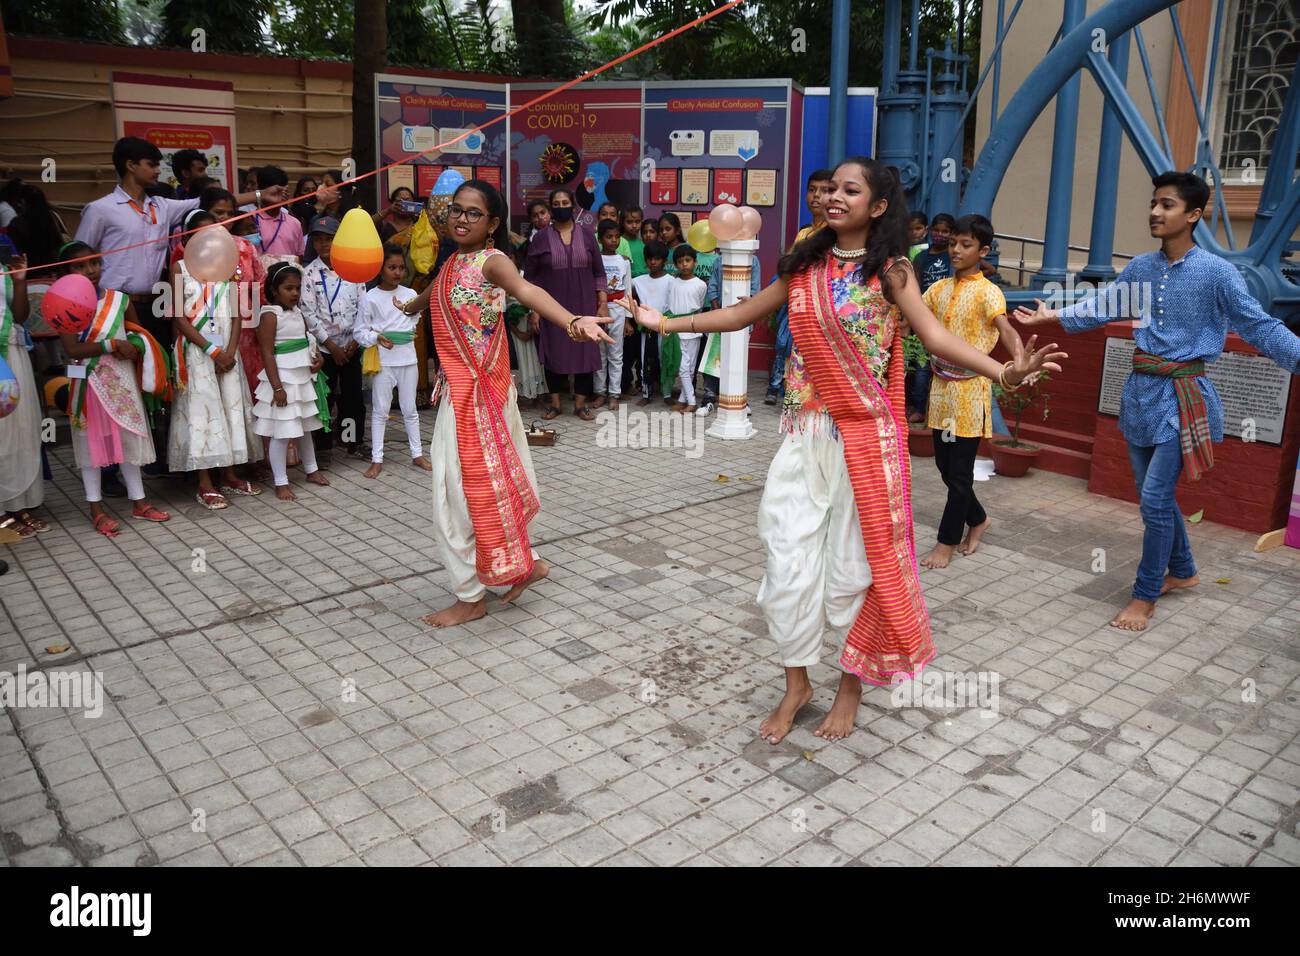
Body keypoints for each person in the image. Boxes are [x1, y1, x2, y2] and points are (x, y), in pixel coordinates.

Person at [633, 157, 1063, 743]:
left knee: (855, 573)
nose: (834, 196)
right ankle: (796, 685)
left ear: (878, 206)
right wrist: (665, 324)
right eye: (830, 188)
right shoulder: (805, 265)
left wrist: (1004, 375)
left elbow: (936, 337)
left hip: (866, 442)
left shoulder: (892, 273)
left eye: (849, 190)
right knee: (785, 565)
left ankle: (850, 687)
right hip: (805, 437)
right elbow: (740, 312)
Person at [1015, 170, 1300, 632]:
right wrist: (1054, 318)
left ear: (1193, 215)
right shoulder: (1143, 269)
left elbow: (1259, 325)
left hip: (1185, 398)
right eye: (1153, 203)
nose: (1154, 212)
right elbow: (1102, 307)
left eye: (1166, 205)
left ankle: (1145, 594)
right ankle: (1183, 571)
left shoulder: (1217, 273)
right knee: (1158, 499)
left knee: (1152, 499)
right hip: (1140, 394)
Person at [398, 180, 611, 628]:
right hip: (464, 397)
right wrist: (411, 306)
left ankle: (471, 596)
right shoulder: (455, 260)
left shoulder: (493, 264)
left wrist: (573, 320)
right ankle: (526, 563)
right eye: (456, 210)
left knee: (455, 500)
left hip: (478, 398)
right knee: (484, 491)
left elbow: (528, 291)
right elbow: (438, 291)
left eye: (473, 213)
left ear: (493, 223)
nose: (461, 218)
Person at [918, 214, 1022, 570]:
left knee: (959, 472)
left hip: (969, 394)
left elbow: (1005, 329)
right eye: (953, 244)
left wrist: (1020, 360)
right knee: (945, 467)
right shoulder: (938, 290)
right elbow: (910, 314)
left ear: (984, 250)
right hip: (940, 390)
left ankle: (946, 542)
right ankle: (978, 518)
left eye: (965, 245)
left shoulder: (988, 291)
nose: (956, 251)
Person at [61, 248, 172, 535]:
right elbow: (72, 348)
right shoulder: (66, 302)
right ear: (67, 271)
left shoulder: (119, 300)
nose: (90, 270)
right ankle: (96, 509)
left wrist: (132, 345)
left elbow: (136, 334)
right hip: (89, 382)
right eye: (80, 265)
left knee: (128, 438)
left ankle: (140, 502)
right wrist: (112, 345)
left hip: (121, 380)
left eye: (94, 263)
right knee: (90, 444)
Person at [168, 223, 263, 509]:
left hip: (227, 353)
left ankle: (230, 473)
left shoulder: (227, 267)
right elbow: (178, 317)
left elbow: (236, 315)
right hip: (199, 353)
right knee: (203, 412)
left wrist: (230, 351)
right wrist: (212, 350)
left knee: (229, 408)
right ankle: (205, 482)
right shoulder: (180, 269)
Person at [523, 188, 606, 421]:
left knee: (585, 352)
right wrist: (535, 310)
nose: (561, 206)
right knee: (554, 352)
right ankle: (555, 405)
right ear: (551, 208)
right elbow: (531, 278)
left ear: (573, 205)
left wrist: (602, 303)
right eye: (556, 203)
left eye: (565, 202)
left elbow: (599, 272)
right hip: (551, 306)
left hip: (585, 305)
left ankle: (581, 405)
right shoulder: (540, 238)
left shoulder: (588, 234)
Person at [253, 262, 331, 501]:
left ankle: (311, 469)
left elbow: (307, 341)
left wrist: (317, 359)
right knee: (282, 431)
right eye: (289, 288)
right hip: (283, 380)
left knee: (305, 427)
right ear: (275, 290)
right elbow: (267, 353)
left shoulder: (298, 313)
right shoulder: (269, 315)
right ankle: (280, 481)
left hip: (301, 378)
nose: (295, 293)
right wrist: (277, 387)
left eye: (297, 288)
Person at [354, 244, 428, 478]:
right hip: (384, 361)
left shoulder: (410, 295)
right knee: (380, 410)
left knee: (410, 408)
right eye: (392, 267)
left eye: (401, 268)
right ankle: (377, 458)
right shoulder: (370, 297)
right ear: (380, 269)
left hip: (407, 358)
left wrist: (407, 325)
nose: (397, 272)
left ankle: (417, 453)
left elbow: (415, 319)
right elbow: (359, 332)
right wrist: (377, 337)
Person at [297, 216, 365, 464]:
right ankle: (324, 447)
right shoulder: (309, 273)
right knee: (324, 397)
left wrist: (354, 342)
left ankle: (351, 441)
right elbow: (308, 313)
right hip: (326, 348)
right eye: (318, 239)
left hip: (351, 345)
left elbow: (363, 307)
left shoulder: (354, 268)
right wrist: (331, 345)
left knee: (353, 397)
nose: (324, 244)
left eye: (329, 239)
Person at [0, 253, 49, 538]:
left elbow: (19, 317)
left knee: (21, 428)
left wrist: (19, 281)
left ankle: (19, 504)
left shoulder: (3, 268)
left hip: (13, 355)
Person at [701, 248, 762, 416]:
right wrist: (717, 315)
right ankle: (709, 397)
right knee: (714, 357)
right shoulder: (719, 260)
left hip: (743, 319)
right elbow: (712, 288)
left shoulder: (753, 261)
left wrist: (747, 314)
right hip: (720, 317)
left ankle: (739, 398)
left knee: (737, 358)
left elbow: (755, 290)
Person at [662, 245, 707, 413]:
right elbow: (668, 303)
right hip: (675, 329)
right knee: (682, 368)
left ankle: (684, 400)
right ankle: (691, 401)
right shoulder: (672, 282)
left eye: (688, 260)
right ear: (675, 264)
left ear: (695, 262)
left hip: (693, 329)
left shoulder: (701, 284)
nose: (684, 264)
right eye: (680, 262)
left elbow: (699, 306)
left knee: (689, 368)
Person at [594, 220, 631, 411]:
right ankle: (600, 392)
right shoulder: (595, 259)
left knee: (616, 353)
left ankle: (614, 394)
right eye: (609, 237)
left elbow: (628, 292)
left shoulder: (624, 261)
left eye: (617, 237)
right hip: (599, 309)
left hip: (618, 308)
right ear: (600, 239)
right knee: (599, 353)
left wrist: (628, 319)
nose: (614, 240)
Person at [631, 240, 671, 407]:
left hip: (665, 325)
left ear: (664, 260)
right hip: (646, 327)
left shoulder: (672, 281)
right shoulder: (638, 281)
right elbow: (631, 299)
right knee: (644, 358)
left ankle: (667, 393)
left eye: (657, 258)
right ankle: (646, 393)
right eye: (649, 258)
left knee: (665, 358)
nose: (652, 262)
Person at [252, 166, 305, 261]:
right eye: (273, 191)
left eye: (281, 190)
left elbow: (299, 257)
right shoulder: (250, 221)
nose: (277, 195)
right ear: (262, 190)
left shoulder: (295, 223)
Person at [913, 213, 955, 291]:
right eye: (936, 230)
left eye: (945, 231)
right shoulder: (920, 256)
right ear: (930, 230)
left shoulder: (955, 255)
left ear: (952, 233)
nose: (940, 234)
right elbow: (916, 285)